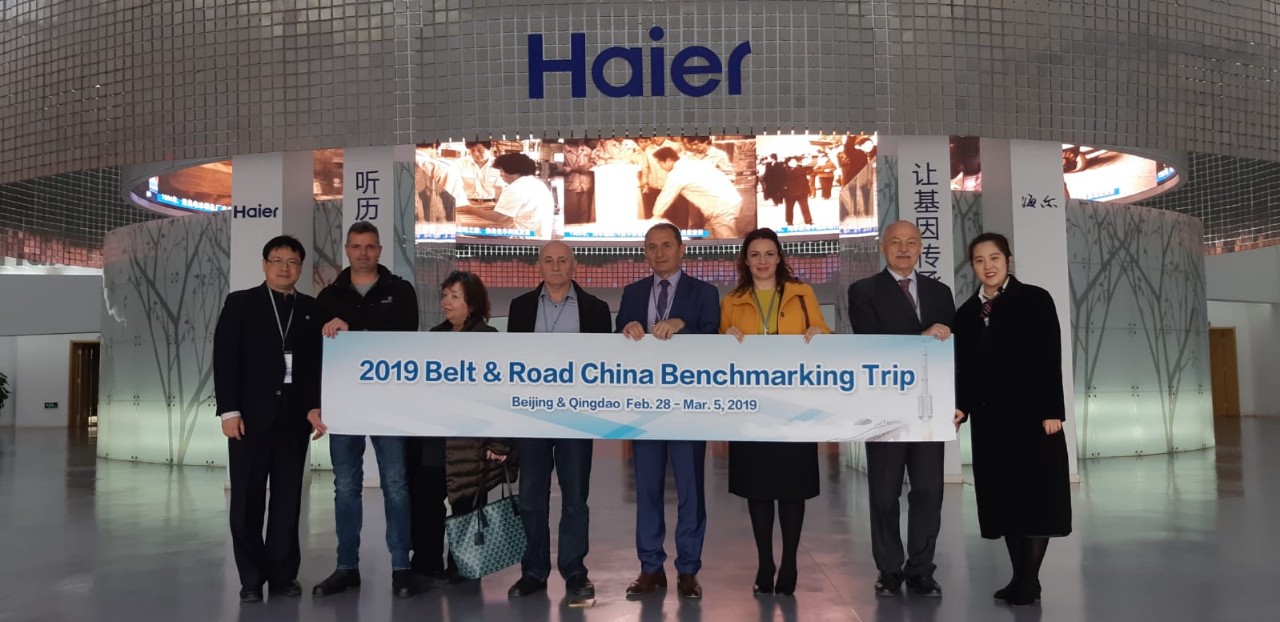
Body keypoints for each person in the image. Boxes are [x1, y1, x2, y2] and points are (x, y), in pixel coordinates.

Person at [954, 232, 1072, 607]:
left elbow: (1049, 355)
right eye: (979, 260)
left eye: (994, 258)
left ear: (1008, 259)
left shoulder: (1035, 299)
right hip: (991, 422)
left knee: (1036, 499)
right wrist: (962, 406)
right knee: (1005, 500)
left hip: (1033, 419)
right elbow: (966, 369)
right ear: (972, 266)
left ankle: (1029, 580)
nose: (987, 266)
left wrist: (1052, 410)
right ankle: (1020, 578)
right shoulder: (967, 313)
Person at [847, 220, 961, 598]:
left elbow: (954, 353)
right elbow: (870, 345)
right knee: (884, 493)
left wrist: (958, 403)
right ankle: (889, 570)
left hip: (930, 408)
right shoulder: (863, 291)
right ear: (883, 247)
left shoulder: (940, 292)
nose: (903, 249)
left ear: (920, 247)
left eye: (911, 242)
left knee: (928, 491)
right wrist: (920, 338)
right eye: (895, 242)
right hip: (884, 408)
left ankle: (921, 570)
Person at [214, 235, 326, 603]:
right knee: (246, 502)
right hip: (248, 420)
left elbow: (314, 366)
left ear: (301, 268)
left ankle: (282, 575)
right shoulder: (240, 303)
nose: (284, 267)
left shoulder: (310, 309)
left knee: (288, 501)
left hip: (293, 420)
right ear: (264, 265)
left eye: (292, 262)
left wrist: (314, 406)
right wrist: (229, 411)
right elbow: (225, 358)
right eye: (277, 260)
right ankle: (250, 578)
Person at [311, 222, 421, 599]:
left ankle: (401, 567)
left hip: (389, 403)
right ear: (346, 249)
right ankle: (346, 567)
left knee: (396, 485)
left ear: (379, 250)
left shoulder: (400, 291)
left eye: (370, 246)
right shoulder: (329, 296)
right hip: (343, 404)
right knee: (345, 487)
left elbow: (404, 335)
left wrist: (354, 328)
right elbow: (316, 354)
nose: (363, 253)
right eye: (356, 246)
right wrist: (316, 403)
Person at [719, 227, 829, 596]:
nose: (762, 261)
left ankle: (791, 562)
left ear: (779, 257)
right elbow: (716, 352)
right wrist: (723, 338)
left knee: (792, 488)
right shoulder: (732, 300)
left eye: (769, 254)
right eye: (755, 254)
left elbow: (824, 335)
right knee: (759, 489)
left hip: (795, 407)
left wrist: (819, 333)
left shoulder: (802, 293)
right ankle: (765, 562)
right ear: (745, 261)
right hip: (751, 408)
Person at [616, 223, 720, 601]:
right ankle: (650, 568)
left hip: (688, 407)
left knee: (691, 490)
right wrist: (626, 328)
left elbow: (712, 338)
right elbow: (617, 340)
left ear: (681, 250)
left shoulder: (704, 293)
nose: (658, 253)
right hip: (644, 408)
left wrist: (682, 325)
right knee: (646, 489)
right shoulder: (632, 293)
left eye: (665, 246)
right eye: (651, 247)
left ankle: (688, 570)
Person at [506, 241, 612, 607]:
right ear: (539, 266)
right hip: (532, 416)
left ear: (574, 265)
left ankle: (575, 571)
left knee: (575, 498)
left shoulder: (596, 309)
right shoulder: (520, 307)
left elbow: (604, 365)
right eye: (549, 260)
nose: (555, 266)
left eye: (562, 260)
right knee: (531, 498)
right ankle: (534, 571)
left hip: (576, 417)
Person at [407, 270, 517, 583]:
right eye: (445, 295)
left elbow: (500, 392)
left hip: (471, 442)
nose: (446, 302)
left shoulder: (488, 339)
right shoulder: (434, 336)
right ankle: (427, 561)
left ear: (473, 304)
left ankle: (463, 565)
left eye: (455, 296)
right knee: (428, 502)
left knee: (467, 504)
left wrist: (499, 442)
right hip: (434, 438)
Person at [651, 147, 743, 239]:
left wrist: (656, 216)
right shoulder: (693, 162)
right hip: (728, 201)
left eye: (660, 163)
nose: (660, 166)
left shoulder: (676, 174)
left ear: (668, 160)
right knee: (709, 240)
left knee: (727, 241)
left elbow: (665, 197)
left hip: (722, 208)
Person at [458, 153, 556, 239]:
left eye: (502, 171)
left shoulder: (515, 188)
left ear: (512, 171)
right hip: (540, 236)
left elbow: (499, 218)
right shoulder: (538, 184)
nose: (501, 175)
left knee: (461, 231)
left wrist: (469, 209)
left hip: (520, 239)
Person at [781, 157, 813, 226]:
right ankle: (789, 221)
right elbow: (781, 181)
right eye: (793, 161)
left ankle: (808, 220)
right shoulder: (784, 170)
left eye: (795, 161)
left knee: (805, 207)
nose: (795, 162)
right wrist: (784, 189)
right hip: (789, 192)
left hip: (802, 192)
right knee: (789, 208)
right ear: (788, 163)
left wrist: (808, 190)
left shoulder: (801, 168)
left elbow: (805, 181)